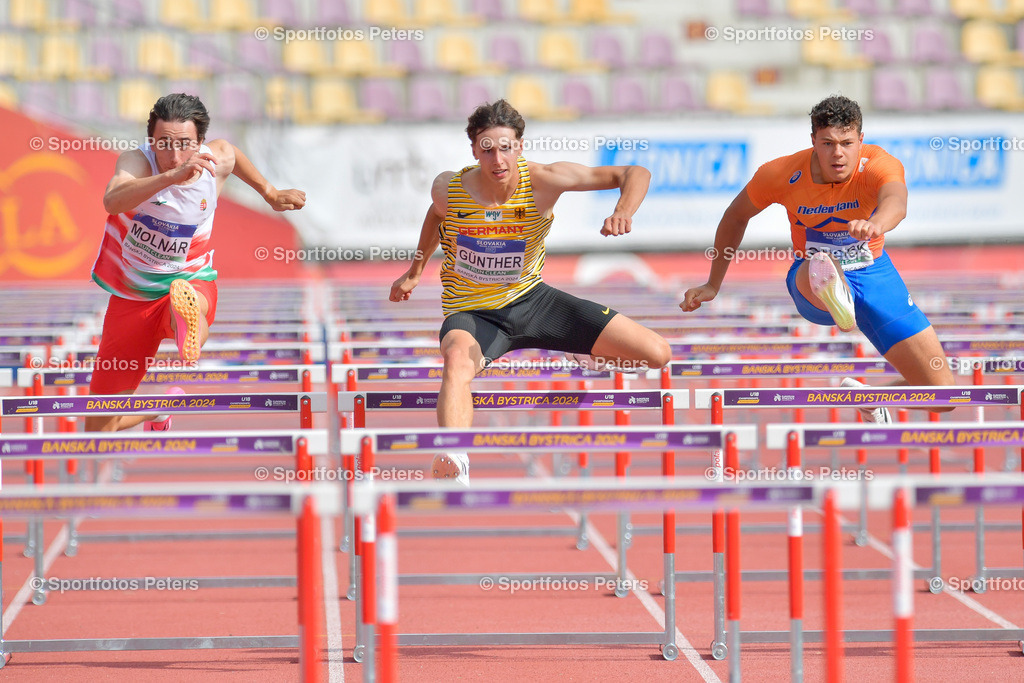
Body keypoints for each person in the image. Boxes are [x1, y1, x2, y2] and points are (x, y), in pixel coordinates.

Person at [390, 99, 671, 484]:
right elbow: (436, 216)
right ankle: (454, 456)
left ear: (519, 147)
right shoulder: (449, 189)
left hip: (534, 302)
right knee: (456, 359)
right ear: (474, 151)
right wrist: (415, 271)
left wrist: (624, 210)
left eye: (505, 148)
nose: (497, 159)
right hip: (474, 313)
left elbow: (634, 172)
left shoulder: (544, 180)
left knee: (657, 354)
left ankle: (584, 354)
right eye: (487, 149)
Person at [681, 95, 955, 423]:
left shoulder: (879, 163)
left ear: (861, 140)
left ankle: (870, 398)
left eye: (847, 143)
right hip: (811, 280)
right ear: (813, 140)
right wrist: (713, 283)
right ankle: (836, 292)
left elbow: (896, 200)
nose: (838, 153)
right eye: (828, 143)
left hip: (874, 274)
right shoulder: (780, 173)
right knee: (823, 262)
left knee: (943, 396)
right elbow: (735, 216)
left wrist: (876, 224)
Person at [86, 93, 306, 432]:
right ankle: (157, 410)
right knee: (99, 426)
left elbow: (232, 154)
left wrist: (270, 193)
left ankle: (187, 325)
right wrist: (170, 177)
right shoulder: (136, 163)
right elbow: (112, 201)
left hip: (189, 279)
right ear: (151, 140)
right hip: (134, 297)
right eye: (164, 144)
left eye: (185, 145)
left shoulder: (215, 159)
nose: (174, 156)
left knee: (187, 306)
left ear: (200, 141)